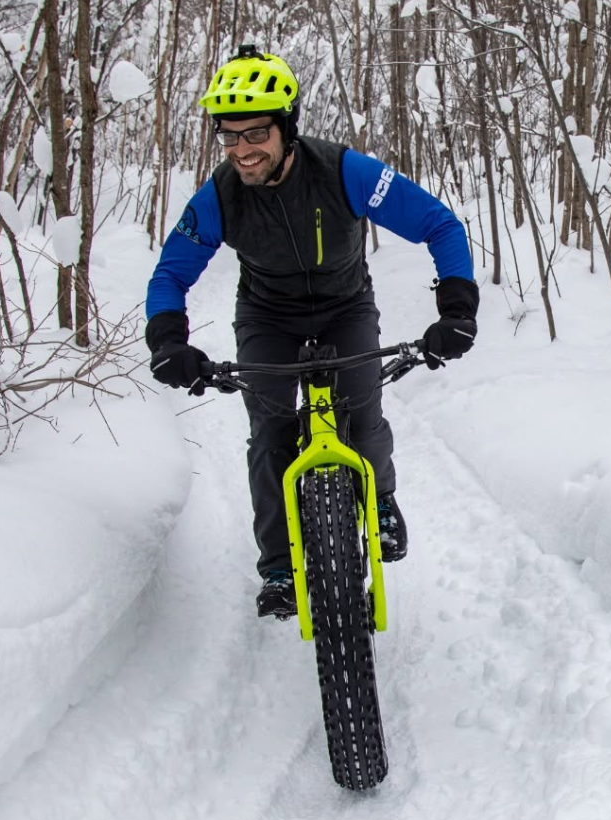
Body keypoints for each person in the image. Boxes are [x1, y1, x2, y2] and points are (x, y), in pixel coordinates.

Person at [145, 47, 479, 615]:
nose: (242, 151)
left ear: (286, 128)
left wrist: (457, 308)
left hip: (344, 306)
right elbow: (171, 272)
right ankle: (278, 566)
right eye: (229, 137)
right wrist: (167, 340)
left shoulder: (345, 171)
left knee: (361, 408)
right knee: (270, 431)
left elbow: (438, 224)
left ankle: (381, 503)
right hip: (266, 316)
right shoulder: (220, 196)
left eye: (255, 134)